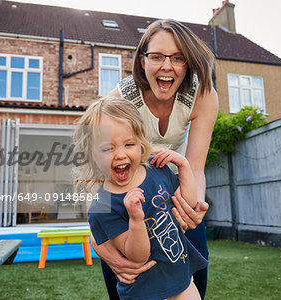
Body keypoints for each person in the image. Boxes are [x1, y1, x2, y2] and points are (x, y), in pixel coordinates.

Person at [93, 19, 219, 299]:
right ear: (142, 61)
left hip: (173, 192)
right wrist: (98, 239)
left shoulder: (202, 95)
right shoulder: (120, 101)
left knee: (194, 284)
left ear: (188, 63)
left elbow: (195, 166)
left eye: (178, 58)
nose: (166, 66)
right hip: (129, 201)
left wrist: (192, 206)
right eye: (157, 56)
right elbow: (98, 170)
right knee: (126, 280)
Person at [74, 97, 208, 299]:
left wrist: (184, 167)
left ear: (140, 143)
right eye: (108, 148)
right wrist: (136, 219)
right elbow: (137, 257)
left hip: (181, 281)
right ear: (91, 155)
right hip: (145, 292)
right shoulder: (103, 206)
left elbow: (187, 204)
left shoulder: (157, 170)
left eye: (129, 144)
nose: (120, 154)